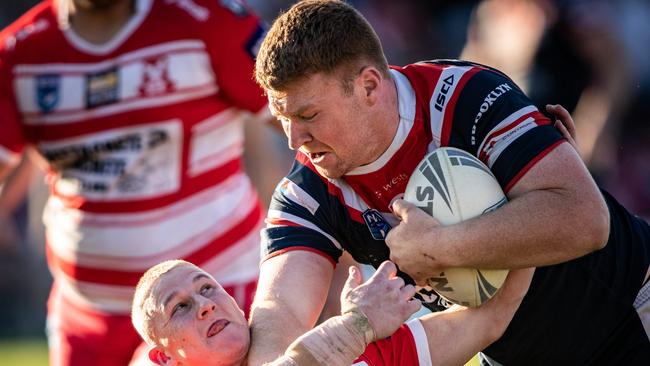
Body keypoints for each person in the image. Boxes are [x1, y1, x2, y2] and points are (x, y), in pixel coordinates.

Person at [248, 1, 650, 365]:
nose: (293, 139)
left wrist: (438, 248)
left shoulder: (465, 97)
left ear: (369, 86)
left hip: (628, 312)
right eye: (282, 118)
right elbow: (277, 317)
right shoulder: (308, 190)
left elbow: (586, 219)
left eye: (308, 115)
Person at [0, 0, 288, 364]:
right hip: (89, 313)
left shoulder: (206, 19)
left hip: (215, 296)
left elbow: (312, 114)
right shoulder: (18, 53)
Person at [131, 259, 533, 366]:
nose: (204, 305)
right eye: (180, 308)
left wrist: (526, 194)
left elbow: (490, 318)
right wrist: (358, 324)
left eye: (207, 288)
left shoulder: (363, 351)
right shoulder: (357, 333)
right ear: (163, 357)